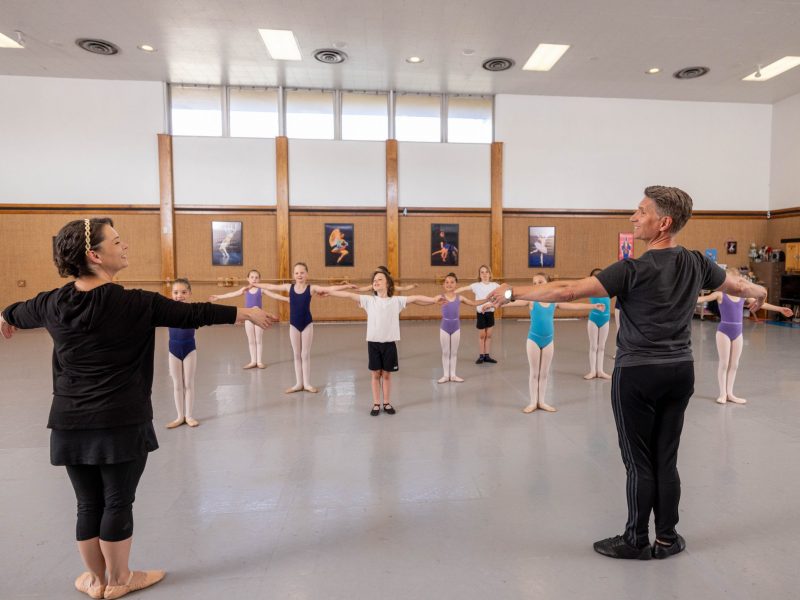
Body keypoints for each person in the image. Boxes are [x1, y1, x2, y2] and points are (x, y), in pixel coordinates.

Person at [0, 218, 275, 599]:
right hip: (120, 420)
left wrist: (6, 316)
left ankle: (96, 582)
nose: (124, 245)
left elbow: (17, 311)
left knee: (87, 504)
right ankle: (120, 579)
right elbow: (191, 314)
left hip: (69, 422)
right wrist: (244, 313)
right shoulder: (136, 304)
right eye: (117, 241)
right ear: (95, 255)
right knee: (117, 500)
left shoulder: (51, 303)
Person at [488, 186, 767, 560]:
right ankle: (667, 539)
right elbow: (738, 286)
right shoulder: (697, 263)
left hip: (637, 373)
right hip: (679, 371)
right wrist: (760, 290)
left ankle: (636, 539)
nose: (633, 218)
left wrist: (509, 294)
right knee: (665, 459)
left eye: (641, 212)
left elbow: (568, 291)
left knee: (639, 462)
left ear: (663, 222)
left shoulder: (631, 269)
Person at [320, 270, 442, 415]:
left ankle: (387, 403)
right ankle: (376, 403)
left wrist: (434, 299)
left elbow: (415, 297)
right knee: (375, 375)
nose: (376, 282)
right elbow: (348, 295)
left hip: (389, 344)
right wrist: (329, 292)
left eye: (379, 279)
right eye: (374, 281)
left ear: (387, 283)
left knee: (387, 375)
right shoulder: (368, 300)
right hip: (373, 344)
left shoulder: (396, 301)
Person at [500, 274, 604, 413]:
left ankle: (542, 401)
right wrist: (492, 303)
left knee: (544, 374)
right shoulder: (530, 300)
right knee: (534, 373)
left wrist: (593, 305)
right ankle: (532, 402)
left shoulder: (554, 301)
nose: (537, 285)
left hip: (548, 340)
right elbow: (511, 302)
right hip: (533, 340)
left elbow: (573, 306)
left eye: (540, 282)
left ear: (548, 283)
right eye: (534, 282)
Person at [253, 262, 356, 393]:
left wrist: (347, 286)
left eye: (302, 272)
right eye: (296, 273)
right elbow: (270, 286)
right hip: (294, 325)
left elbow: (329, 289)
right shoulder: (288, 287)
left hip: (307, 324)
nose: (299, 275)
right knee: (296, 354)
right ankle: (298, 383)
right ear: (293, 275)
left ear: (307, 274)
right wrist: (254, 284)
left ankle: (307, 384)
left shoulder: (311, 288)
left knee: (305, 354)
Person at [697, 269, 792, 404]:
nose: (739, 284)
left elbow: (761, 303)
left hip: (738, 333)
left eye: (739, 281)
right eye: (736, 281)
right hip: (723, 331)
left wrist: (780, 309)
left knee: (734, 364)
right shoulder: (720, 294)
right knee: (724, 364)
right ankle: (722, 394)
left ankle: (730, 393)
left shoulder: (743, 296)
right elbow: (703, 299)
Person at [209, 269, 271, 369]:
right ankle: (253, 361)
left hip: (259, 317)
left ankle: (259, 361)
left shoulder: (261, 290)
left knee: (258, 340)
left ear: (259, 279)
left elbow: (274, 295)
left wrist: (287, 299)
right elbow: (232, 294)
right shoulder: (245, 290)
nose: (254, 279)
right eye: (252, 277)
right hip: (248, 317)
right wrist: (219, 297)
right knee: (251, 340)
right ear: (248, 279)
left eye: (256, 277)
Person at [435, 273, 484, 383]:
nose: (449, 284)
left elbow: (473, 303)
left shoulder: (460, 297)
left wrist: (488, 300)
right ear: (443, 285)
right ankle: (445, 375)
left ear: (456, 284)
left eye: (452, 282)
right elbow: (427, 301)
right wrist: (413, 300)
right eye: (447, 282)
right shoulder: (440, 297)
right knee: (445, 352)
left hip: (456, 327)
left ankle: (453, 375)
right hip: (444, 328)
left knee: (454, 352)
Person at [166, 278, 201, 429]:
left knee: (188, 383)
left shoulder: (193, 310)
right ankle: (179, 416)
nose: (179, 295)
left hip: (189, 350)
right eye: (176, 292)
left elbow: (210, 316)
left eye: (183, 292)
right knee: (177, 385)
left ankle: (189, 415)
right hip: (173, 351)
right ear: (171, 294)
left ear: (190, 294)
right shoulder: (167, 310)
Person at [455, 265, 499, 364]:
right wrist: (452, 292)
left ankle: (487, 356)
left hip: (490, 313)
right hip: (481, 314)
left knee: (489, 336)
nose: (484, 274)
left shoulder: (495, 285)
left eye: (486, 272)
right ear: (479, 275)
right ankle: (481, 356)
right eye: (482, 272)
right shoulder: (476, 285)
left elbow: (504, 291)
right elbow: (463, 288)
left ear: (490, 273)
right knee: (482, 336)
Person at [585, 268, 613, 380]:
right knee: (593, 346)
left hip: (605, 321)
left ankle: (600, 371)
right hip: (593, 320)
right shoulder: (590, 289)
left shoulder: (609, 289)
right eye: (595, 276)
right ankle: (592, 371)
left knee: (601, 347)